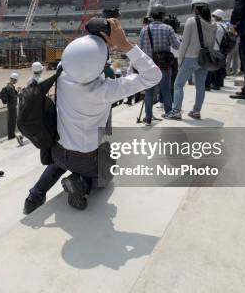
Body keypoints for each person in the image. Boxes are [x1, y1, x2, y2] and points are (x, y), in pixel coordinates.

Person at [23, 19, 162, 213]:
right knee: (108, 171)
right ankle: (81, 183)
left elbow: (81, 57)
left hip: (57, 150)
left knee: (60, 162)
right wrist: (125, 45)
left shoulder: (63, 72)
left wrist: (97, 38)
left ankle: (35, 195)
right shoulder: (104, 90)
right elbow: (153, 76)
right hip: (85, 159)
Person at [164, 0, 217, 120]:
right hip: (204, 59)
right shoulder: (214, 24)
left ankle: (176, 111)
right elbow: (212, 43)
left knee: (178, 85)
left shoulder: (191, 21)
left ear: (194, 7)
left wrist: (180, 60)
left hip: (190, 58)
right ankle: (196, 111)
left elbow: (184, 44)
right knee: (200, 86)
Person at [138, 4, 180, 124]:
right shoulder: (168, 29)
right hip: (163, 66)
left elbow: (140, 49)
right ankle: (168, 114)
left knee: (149, 92)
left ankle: (148, 117)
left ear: (152, 15)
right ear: (163, 15)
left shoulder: (144, 29)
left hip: (148, 66)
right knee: (166, 91)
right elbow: (176, 46)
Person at [207, 9, 229, 90]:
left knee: (211, 67)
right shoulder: (225, 26)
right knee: (220, 67)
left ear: (216, 17)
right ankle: (219, 83)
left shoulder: (215, 26)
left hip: (215, 48)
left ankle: (214, 84)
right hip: (223, 49)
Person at [2, 72, 24, 146]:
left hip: (11, 107)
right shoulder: (10, 87)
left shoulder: (10, 86)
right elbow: (14, 97)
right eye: (16, 80)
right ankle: (11, 136)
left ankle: (11, 135)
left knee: (12, 122)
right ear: (14, 79)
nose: (16, 81)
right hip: (11, 107)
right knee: (11, 122)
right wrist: (20, 93)